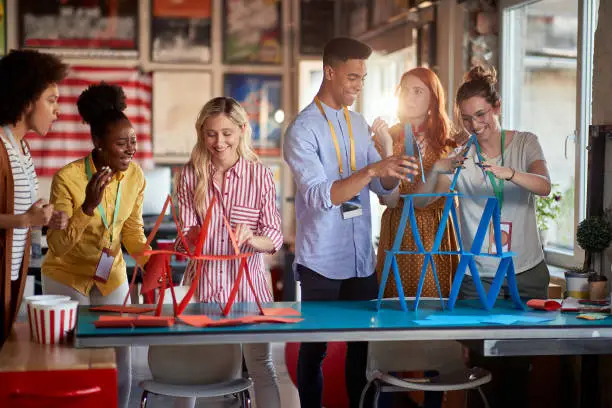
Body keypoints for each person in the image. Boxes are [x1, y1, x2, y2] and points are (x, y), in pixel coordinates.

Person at [283, 37, 418, 408]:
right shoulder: (301, 130)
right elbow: (318, 195)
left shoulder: (358, 124)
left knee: (363, 351)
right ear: (329, 72)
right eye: (353, 77)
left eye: (363, 77)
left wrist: (388, 158)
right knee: (315, 351)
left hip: (361, 260)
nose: (360, 85)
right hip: (321, 261)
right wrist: (373, 167)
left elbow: (383, 190)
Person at [417, 65, 552, 408]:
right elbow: (421, 203)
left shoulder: (525, 143)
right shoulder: (462, 158)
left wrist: (509, 173)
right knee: (480, 371)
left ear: (497, 107)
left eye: (481, 114)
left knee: (518, 370)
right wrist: (435, 170)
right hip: (479, 275)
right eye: (466, 118)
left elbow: (544, 186)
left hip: (525, 272)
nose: (475, 125)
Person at [42, 82, 151, 408]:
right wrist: (88, 207)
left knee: (121, 356)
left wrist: (151, 261)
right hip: (68, 275)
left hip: (111, 274)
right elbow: (58, 245)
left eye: (133, 141)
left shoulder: (135, 177)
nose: (130, 150)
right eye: (121, 143)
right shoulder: (68, 178)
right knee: (70, 357)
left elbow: (132, 233)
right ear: (98, 143)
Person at [174, 96, 283, 408]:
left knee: (261, 367)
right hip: (201, 289)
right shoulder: (190, 175)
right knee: (192, 371)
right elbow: (183, 242)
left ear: (241, 131)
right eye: (211, 134)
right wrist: (192, 237)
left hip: (249, 289)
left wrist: (253, 238)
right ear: (201, 133)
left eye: (226, 133)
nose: (219, 142)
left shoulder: (260, 175)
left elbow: (274, 235)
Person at [372, 67, 460, 408]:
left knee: (431, 332)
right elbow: (389, 198)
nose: (409, 96)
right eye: (405, 89)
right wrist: (383, 148)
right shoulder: (388, 136)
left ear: (432, 100)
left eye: (418, 90)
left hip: (432, 238)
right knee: (392, 328)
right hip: (397, 235)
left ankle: (433, 403)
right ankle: (388, 401)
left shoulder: (448, 143)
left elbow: (422, 201)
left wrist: (437, 171)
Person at [0, 49, 69, 346]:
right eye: (51, 101)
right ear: (27, 100)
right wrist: (26, 219)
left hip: (13, 276)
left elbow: (19, 213)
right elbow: (19, 218)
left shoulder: (22, 149)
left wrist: (44, 217)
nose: (58, 111)